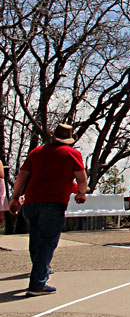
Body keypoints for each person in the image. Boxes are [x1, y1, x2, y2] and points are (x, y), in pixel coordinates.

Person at [8, 124, 88, 296]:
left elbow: (22, 175)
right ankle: (37, 283)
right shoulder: (72, 154)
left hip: (31, 201)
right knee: (47, 242)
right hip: (54, 202)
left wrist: (15, 197)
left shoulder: (36, 152)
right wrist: (81, 193)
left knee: (36, 240)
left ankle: (41, 271)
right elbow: (81, 178)